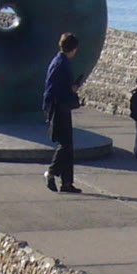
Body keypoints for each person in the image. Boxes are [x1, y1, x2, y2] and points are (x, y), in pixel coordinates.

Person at [43, 33, 83, 193]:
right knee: (65, 144)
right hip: (59, 106)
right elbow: (55, 88)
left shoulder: (59, 60)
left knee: (68, 145)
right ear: (73, 49)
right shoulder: (62, 64)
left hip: (59, 105)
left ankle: (67, 182)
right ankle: (51, 172)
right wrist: (73, 89)